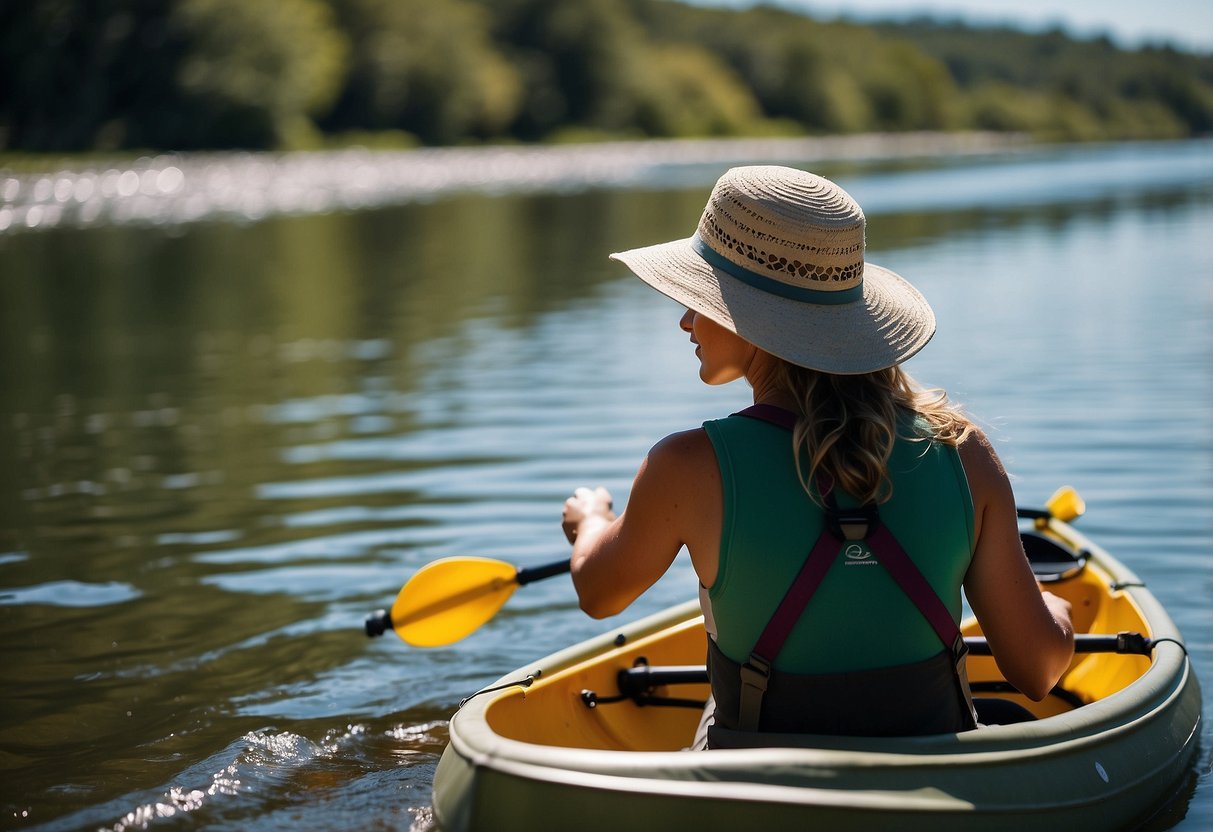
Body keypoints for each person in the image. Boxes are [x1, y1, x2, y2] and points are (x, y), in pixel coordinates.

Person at [561, 165, 1074, 744]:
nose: (684, 319)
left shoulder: (686, 466)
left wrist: (591, 522)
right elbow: (1038, 671)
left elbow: (599, 592)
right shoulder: (964, 453)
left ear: (752, 319)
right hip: (929, 782)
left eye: (699, 298)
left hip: (760, 789)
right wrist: (1058, 611)